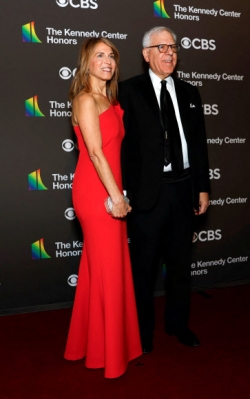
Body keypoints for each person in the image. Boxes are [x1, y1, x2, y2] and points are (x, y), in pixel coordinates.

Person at [119, 26, 210, 354]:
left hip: (184, 190)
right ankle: (142, 334)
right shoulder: (128, 91)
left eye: (172, 47)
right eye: (161, 47)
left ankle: (178, 324)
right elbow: (121, 148)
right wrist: (123, 191)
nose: (169, 53)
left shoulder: (189, 92)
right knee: (143, 269)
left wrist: (202, 187)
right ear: (146, 55)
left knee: (180, 264)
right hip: (146, 195)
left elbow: (198, 145)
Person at [64, 37, 142, 378]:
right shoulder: (85, 99)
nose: (107, 60)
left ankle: (91, 345)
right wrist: (117, 198)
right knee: (108, 270)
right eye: (100, 55)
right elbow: (95, 153)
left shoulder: (106, 99)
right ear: (87, 62)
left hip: (107, 189)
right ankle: (109, 355)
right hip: (97, 194)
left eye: (111, 55)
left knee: (101, 270)